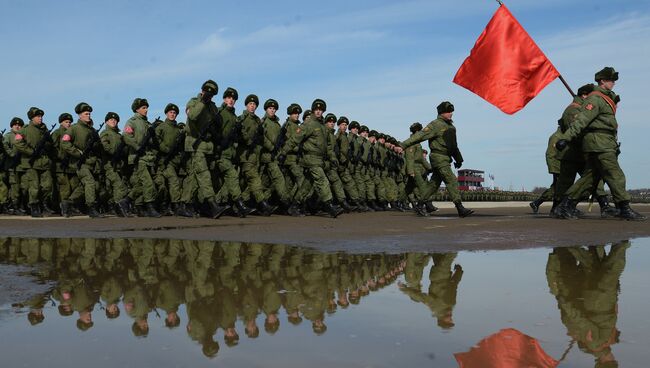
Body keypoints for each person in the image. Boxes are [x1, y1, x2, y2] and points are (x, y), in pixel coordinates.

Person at [555, 67, 645, 221]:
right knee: (615, 174)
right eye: (611, 80)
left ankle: (565, 206)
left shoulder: (603, 98)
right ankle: (624, 207)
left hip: (603, 143)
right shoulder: (596, 99)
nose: (613, 83)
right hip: (600, 144)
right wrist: (567, 138)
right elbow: (581, 121)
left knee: (590, 179)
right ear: (602, 81)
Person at [399, 101, 474, 217]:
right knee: (451, 180)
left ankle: (420, 205)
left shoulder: (451, 127)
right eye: (448, 112)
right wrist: (403, 145)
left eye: (451, 112)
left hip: (446, 157)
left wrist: (458, 159)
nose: (451, 114)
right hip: (438, 157)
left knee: (433, 185)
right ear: (441, 112)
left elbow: (453, 145)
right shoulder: (435, 124)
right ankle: (460, 208)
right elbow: (419, 136)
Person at [278, 99, 343, 218]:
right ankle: (329, 205)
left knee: (307, 185)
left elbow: (328, 145)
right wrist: (283, 153)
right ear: (313, 110)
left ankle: (294, 205)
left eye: (320, 110)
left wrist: (333, 158)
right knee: (322, 180)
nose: (318, 112)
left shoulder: (322, 126)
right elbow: (294, 139)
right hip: (310, 158)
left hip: (319, 159)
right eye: (316, 109)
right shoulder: (308, 124)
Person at [60, 103, 105, 218]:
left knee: (84, 185)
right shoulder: (73, 129)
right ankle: (91, 207)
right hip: (79, 163)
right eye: (86, 114)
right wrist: (77, 153)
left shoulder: (93, 130)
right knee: (89, 182)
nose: (88, 115)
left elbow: (98, 147)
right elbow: (65, 142)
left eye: (89, 113)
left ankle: (68, 202)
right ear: (80, 115)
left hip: (91, 162)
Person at [123, 98, 162, 217]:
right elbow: (126, 136)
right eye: (143, 108)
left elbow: (150, 142)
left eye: (146, 107)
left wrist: (152, 135)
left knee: (141, 184)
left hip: (148, 157)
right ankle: (150, 207)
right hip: (138, 157)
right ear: (137, 109)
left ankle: (126, 201)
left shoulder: (147, 123)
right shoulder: (132, 121)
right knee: (148, 183)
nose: (146, 110)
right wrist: (137, 146)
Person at [14, 107, 54, 217]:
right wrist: (31, 152)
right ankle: (34, 206)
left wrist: (47, 146)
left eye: (41, 116)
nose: (40, 118)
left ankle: (43, 204)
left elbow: (51, 145)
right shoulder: (25, 130)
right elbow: (17, 143)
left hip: (44, 162)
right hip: (30, 163)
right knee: (34, 186)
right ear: (32, 118)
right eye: (38, 116)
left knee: (47, 186)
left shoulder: (44, 130)